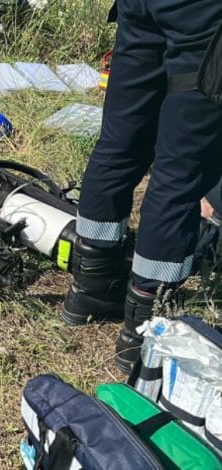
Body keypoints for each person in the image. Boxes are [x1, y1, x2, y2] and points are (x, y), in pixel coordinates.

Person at [61, 0, 222, 372]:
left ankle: (89, 290)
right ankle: (143, 332)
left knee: (120, 142)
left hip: (142, 7)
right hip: (203, 16)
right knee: (180, 171)